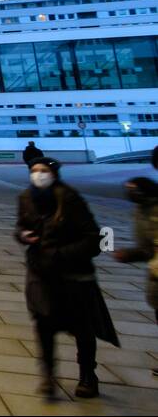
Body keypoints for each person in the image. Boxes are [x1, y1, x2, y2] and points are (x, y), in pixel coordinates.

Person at [15, 158, 117, 399]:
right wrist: (23, 235)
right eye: (34, 171)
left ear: (54, 173)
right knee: (43, 326)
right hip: (41, 275)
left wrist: (61, 254)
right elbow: (20, 227)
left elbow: (94, 239)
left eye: (43, 171)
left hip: (72, 276)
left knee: (82, 328)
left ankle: (87, 375)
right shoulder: (26, 198)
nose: (38, 175)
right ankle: (48, 377)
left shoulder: (70, 199)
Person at [114, 176, 158, 375]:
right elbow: (147, 247)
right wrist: (130, 254)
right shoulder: (141, 211)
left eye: (134, 189)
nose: (131, 193)